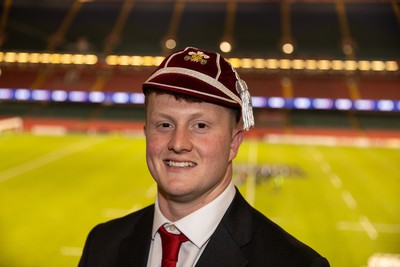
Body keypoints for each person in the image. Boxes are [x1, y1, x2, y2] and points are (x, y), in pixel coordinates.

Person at [78, 47, 330, 267]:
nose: (178, 143)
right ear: (146, 133)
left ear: (234, 142)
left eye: (200, 126)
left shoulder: (295, 263)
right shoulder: (102, 244)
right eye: (164, 125)